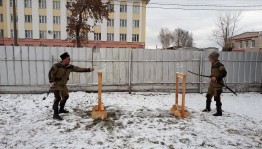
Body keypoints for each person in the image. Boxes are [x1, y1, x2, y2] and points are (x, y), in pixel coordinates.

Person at [48, 52, 94, 120]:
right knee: (57, 98)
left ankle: (61, 109)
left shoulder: (69, 67)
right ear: (64, 59)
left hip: (63, 85)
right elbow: (51, 73)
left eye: (69, 59)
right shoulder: (56, 66)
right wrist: (52, 81)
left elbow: (78, 69)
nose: (70, 60)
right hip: (56, 84)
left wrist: (88, 69)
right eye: (68, 59)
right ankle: (55, 114)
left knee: (66, 96)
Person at [202, 51, 227, 116]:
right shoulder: (213, 64)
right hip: (212, 84)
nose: (209, 59)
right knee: (208, 96)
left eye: (210, 58)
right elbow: (215, 73)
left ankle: (219, 112)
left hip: (218, 85)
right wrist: (212, 76)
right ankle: (208, 108)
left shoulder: (219, 65)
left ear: (214, 58)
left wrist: (216, 78)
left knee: (217, 98)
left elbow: (224, 74)